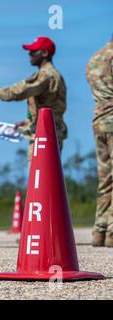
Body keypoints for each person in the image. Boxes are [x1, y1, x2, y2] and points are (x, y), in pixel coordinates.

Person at [0, 37, 67, 163]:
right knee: (48, 178)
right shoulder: (55, 75)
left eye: (33, 51)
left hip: (44, 136)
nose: (29, 54)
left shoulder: (46, 75)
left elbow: (19, 92)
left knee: (39, 179)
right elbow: (51, 106)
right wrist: (27, 122)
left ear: (45, 53)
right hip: (50, 133)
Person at [86, 36, 113, 247]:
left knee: (105, 178)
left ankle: (99, 230)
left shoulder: (94, 58)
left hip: (98, 120)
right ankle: (112, 233)